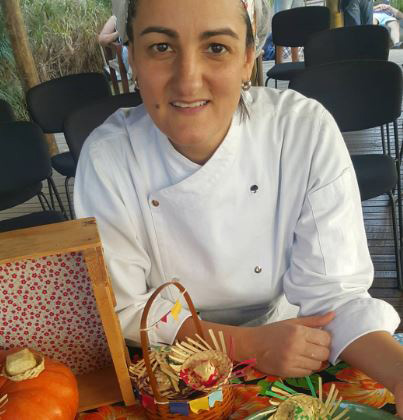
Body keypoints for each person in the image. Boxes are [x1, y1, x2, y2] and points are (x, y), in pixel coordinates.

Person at [74, 0, 403, 416]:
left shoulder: (301, 131)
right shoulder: (109, 157)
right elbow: (126, 305)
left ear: (248, 58)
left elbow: (335, 295)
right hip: (167, 366)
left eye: (216, 47)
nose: (188, 80)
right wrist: (248, 345)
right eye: (161, 47)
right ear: (133, 58)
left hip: (291, 340)